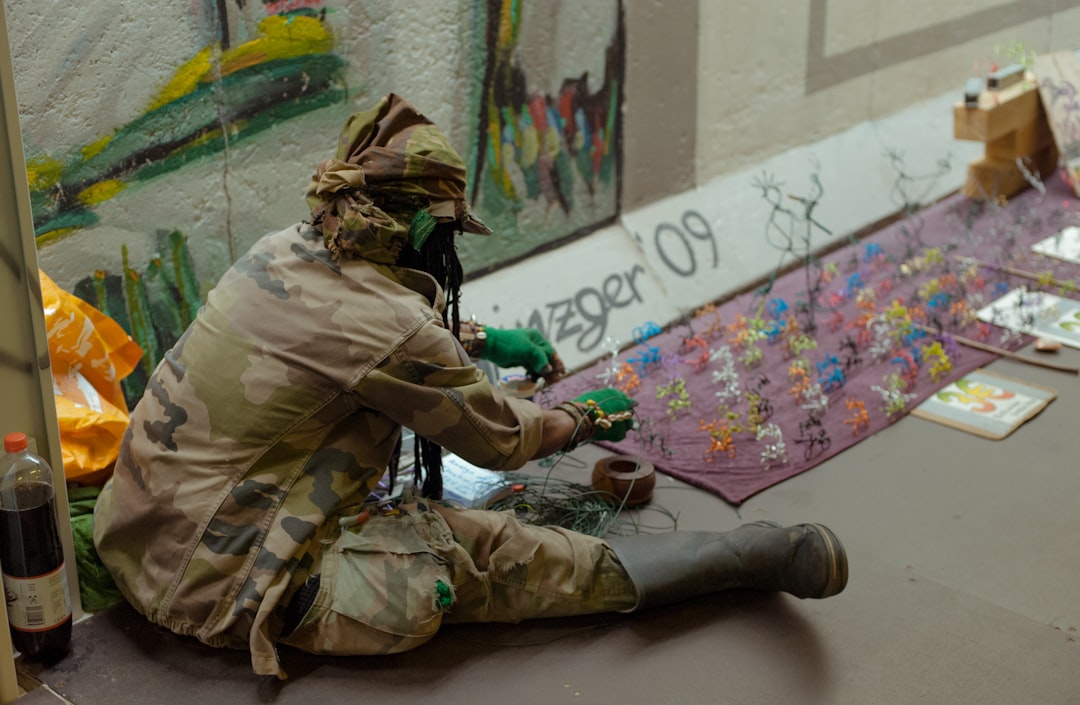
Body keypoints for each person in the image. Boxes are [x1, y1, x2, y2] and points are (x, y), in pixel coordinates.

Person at [93, 94, 847, 680]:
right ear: (426, 230)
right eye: (449, 233)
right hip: (215, 588)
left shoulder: (281, 252)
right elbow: (504, 439)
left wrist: (484, 339)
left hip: (139, 537)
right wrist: (584, 415)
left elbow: (356, 338)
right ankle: (743, 558)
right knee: (488, 554)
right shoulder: (391, 327)